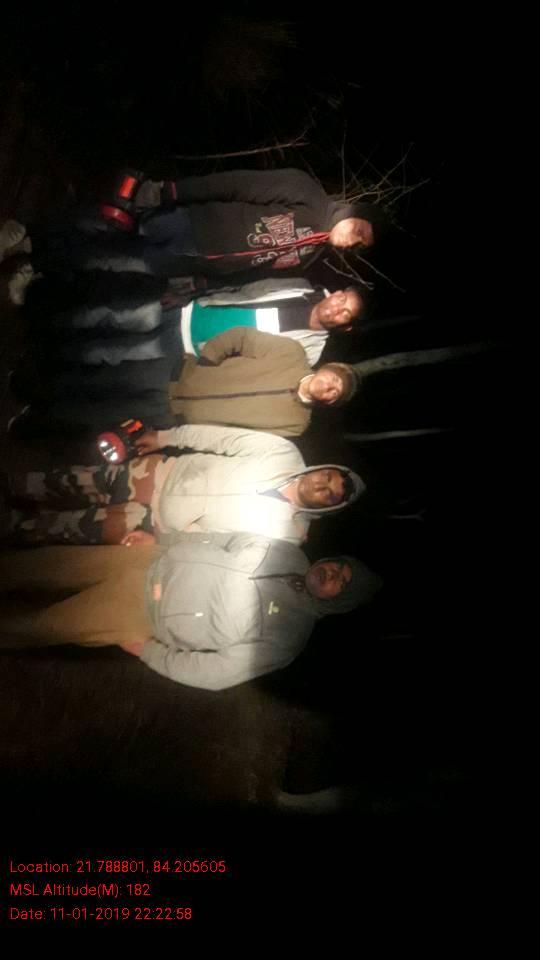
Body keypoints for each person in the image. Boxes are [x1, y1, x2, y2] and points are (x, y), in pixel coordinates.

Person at [0, 532, 382, 691]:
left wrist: (150, 653)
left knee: (43, 625)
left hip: (141, 612)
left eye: (341, 582)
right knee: (46, 563)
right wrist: (163, 540)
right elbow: (221, 537)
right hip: (146, 560)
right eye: (338, 566)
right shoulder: (288, 552)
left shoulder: (288, 638)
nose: (332, 574)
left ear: (338, 602)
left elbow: (216, 673)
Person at [7, 423, 365, 546]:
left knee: (72, 528)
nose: (322, 486)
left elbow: (221, 547)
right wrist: (167, 437)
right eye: (327, 477)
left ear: (329, 507)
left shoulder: (287, 535)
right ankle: (16, 486)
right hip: (158, 474)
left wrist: (163, 542)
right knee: (68, 480)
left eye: (330, 495)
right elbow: (220, 438)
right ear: (323, 468)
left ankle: (14, 527)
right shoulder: (283, 453)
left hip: (155, 524)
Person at [169, 327, 358, 437]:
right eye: (334, 378)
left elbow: (245, 437)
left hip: (179, 420)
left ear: (330, 401)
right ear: (326, 368)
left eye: (335, 392)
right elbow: (241, 337)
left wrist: (193, 431)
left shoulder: (296, 424)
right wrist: (206, 363)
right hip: (175, 372)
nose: (329, 386)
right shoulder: (291, 353)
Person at [180, 278, 365, 366]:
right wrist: (191, 293)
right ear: (337, 293)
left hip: (193, 353)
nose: (337, 308)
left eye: (346, 313)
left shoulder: (310, 351)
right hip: (190, 309)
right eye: (342, 299)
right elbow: (241, 284)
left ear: (346, 327)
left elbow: (256, 371)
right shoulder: (299, 286)